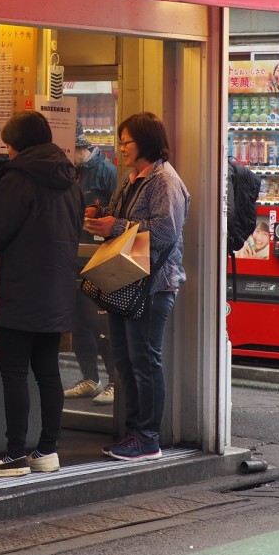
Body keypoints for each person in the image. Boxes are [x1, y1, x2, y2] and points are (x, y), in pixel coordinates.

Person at [0, 111, 84, 478]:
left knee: (14, 371)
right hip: (58, 288)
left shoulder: (17, 178)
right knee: (48, 372)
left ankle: (15, 453)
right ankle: (48, 451)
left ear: (17, 144)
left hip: (23, 286)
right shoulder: (70, 178)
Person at [84, 112, 190, 462]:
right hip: (126, 281)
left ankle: (147, 438)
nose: (122, 147)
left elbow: (164, 233)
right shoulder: (132, 178)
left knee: (144, 360)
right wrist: (99, 217)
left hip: (153, 285)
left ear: (144, 141)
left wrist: (115, 226)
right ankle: (132, 432)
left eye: (126, 141)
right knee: (125, 361)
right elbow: (117, 217)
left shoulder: (164, 180)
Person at [65, 130, 117, 405]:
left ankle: (113, 380)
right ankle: (89, 378)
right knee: (78, 322)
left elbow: (120, 214)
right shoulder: (69, 173)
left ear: (79, 147)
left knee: (101, 323)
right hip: (73, 256)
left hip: (98, 257)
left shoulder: (107, 172)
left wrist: (100, 215)